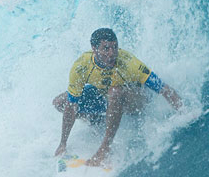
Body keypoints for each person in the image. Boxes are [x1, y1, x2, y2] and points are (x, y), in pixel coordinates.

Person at [53, 27, 183, 166]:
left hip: (134, 100)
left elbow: (164, 88)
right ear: (94, 48)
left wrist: (184, 112)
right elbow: (71, 106)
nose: (112, 53)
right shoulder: (81, 66)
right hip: (105, 97)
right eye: (106, 48)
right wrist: (63, 143)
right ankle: (97, 120)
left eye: (115, 47)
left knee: (114, 91)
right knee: (61, 102)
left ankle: (105, 149)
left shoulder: (129, 63)